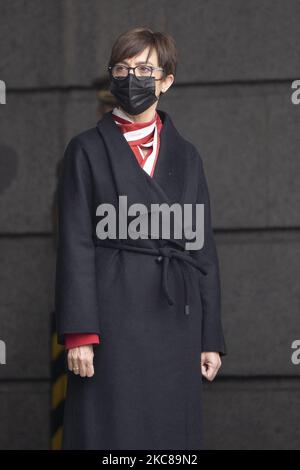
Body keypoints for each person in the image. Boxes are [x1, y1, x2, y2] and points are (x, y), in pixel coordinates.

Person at [55, 26, 227, 450]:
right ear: (112, 76)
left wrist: (210, 337)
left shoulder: (187, 155)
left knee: (171, 436)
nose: (133, 78)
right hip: (111, 318)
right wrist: (79, 334)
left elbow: (201, 246)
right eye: (123, 68)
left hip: (177, 318)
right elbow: (74, 243)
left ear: (166, 81)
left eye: (145, 70)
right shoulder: (86, 150)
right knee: (110, 430)